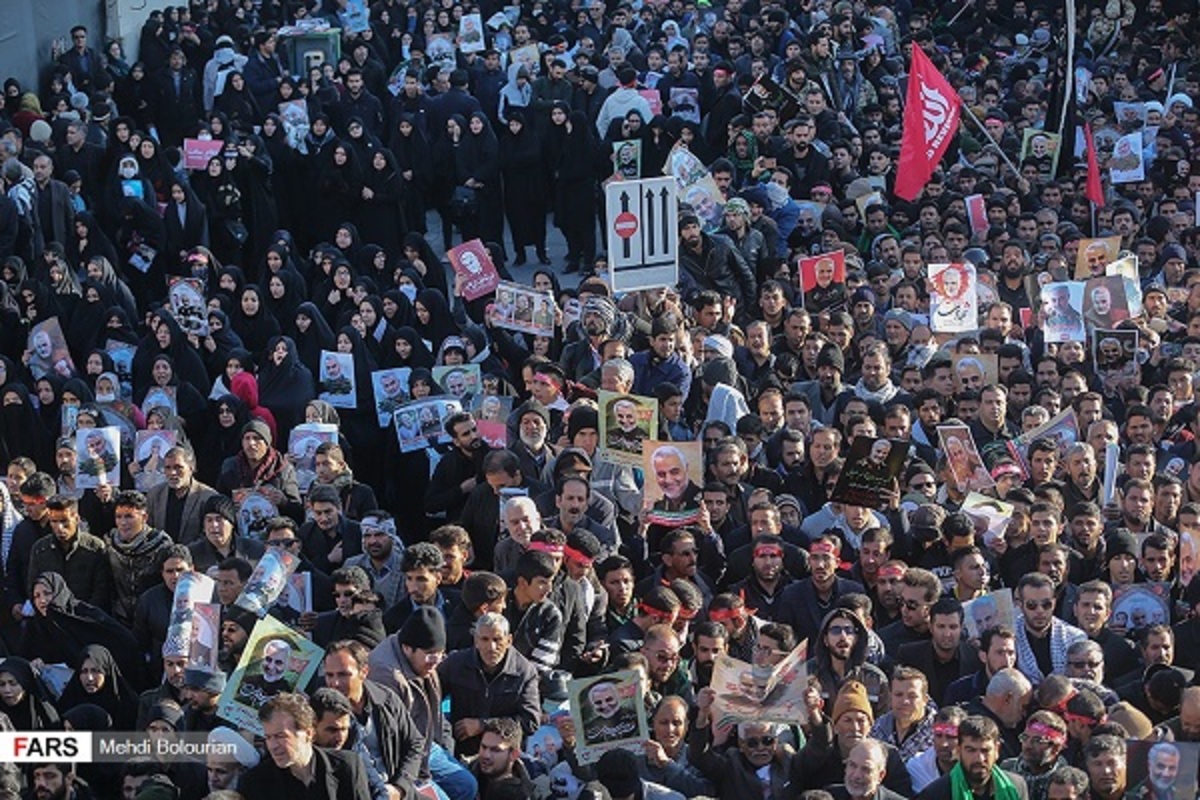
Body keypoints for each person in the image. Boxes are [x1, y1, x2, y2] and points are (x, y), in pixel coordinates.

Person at [239, 692, 372, 799]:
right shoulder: (256, 782)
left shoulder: (347, 766)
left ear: (308, 733)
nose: (273, 746)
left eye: (281, 736)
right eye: (268, 737)